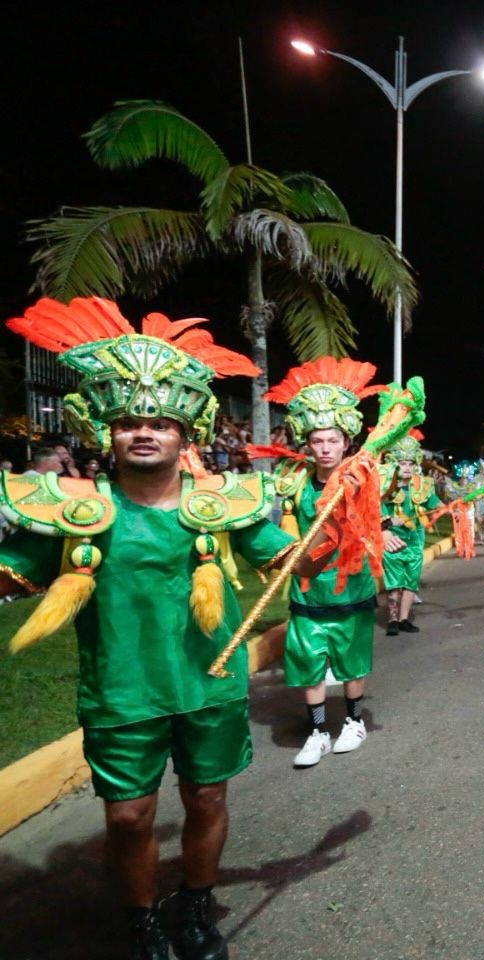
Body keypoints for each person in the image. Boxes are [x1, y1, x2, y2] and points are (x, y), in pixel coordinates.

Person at [0, 296, 337, 960]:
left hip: (208, 685)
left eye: (159, 421)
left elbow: (297, 559)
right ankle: (142, 919)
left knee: (206, 800)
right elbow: (13, 575)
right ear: (107, 432)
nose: (144, 432)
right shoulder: (78, 511)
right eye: (129, 421)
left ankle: (195, 905)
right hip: (121, 694)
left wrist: (341, 507)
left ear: (187, 434)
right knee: (129, 818)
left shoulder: (223, 507)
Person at [263, 357, 385, 769]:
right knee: (308, 660)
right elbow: (285, 530)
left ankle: (353, 722)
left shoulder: (360, 475)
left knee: (351, 660)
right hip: (309, 586)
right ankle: (317, 732)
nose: (326, 447)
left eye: (333, 440)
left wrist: (378, 531)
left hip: (350, 584)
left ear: (345, 441)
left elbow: (371, 518)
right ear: (308, 444)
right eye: (318, 441)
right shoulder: (294, 481)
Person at [380, 433, 441, 636]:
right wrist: (388, 522)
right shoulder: (384, 487)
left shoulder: (423, 485)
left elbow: (435, 504)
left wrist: (454, 508)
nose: (406, 467)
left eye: (409, 463)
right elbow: (372, 511)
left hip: (415, 540)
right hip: (392, 541)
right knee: (394, 582)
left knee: (410, 581)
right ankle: (392, 619)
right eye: (401, 463)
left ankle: (404, 619)